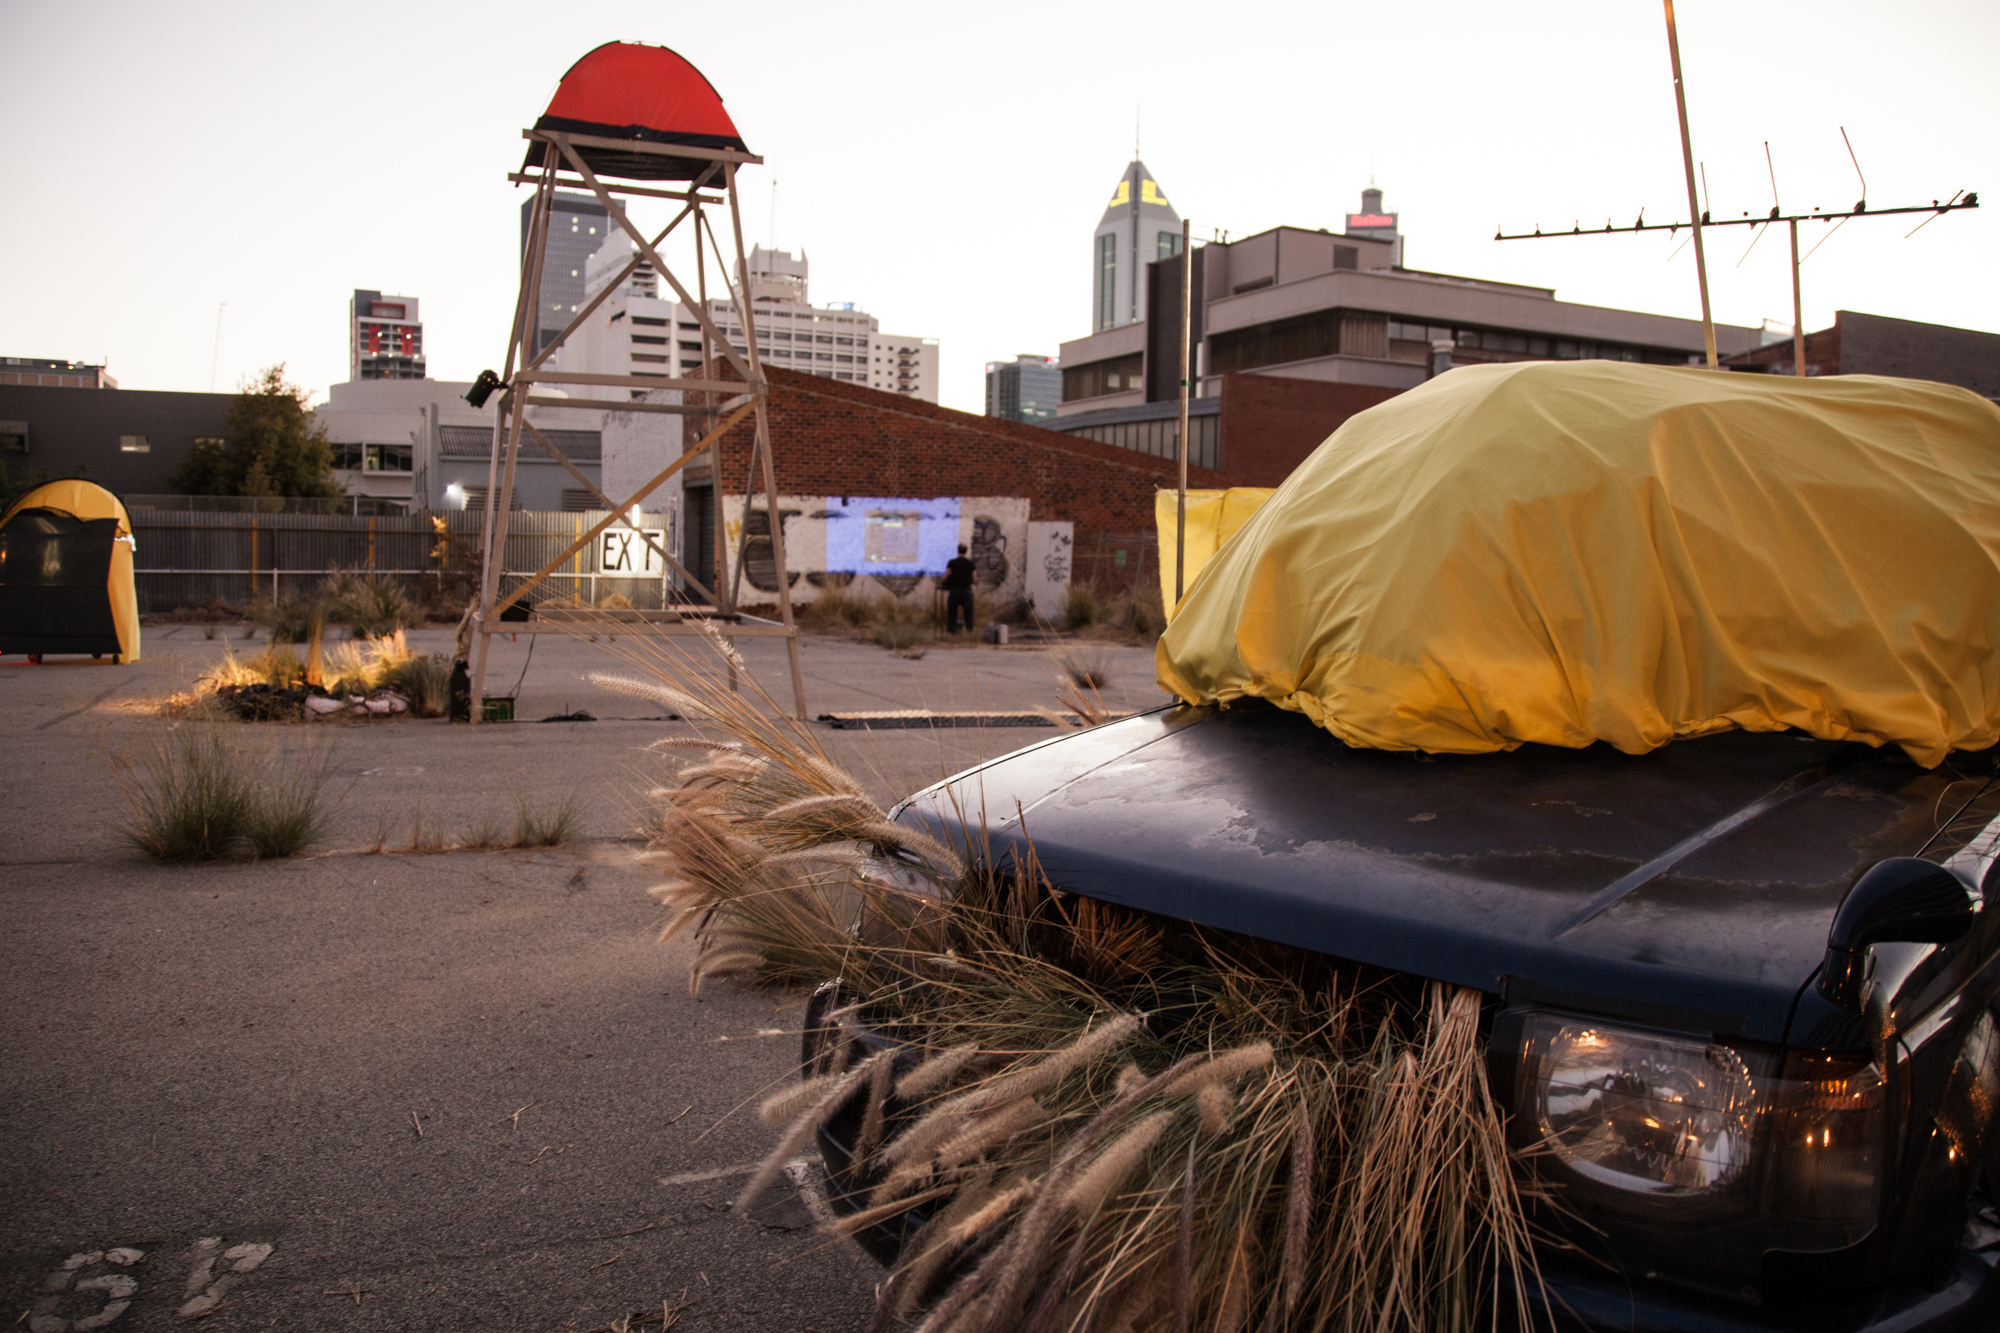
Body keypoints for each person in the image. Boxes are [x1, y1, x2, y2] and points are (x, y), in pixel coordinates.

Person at [941, 543, 977, 633]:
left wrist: (942, 581)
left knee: (952, 615)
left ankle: (951, 633)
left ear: (958, 551)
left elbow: (945, 577)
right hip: (966, 592)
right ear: (966, 551)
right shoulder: (971, 564)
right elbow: (974, 579)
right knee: (968, 615)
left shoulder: (952, 562)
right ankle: (969, 633)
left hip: (955, 592)